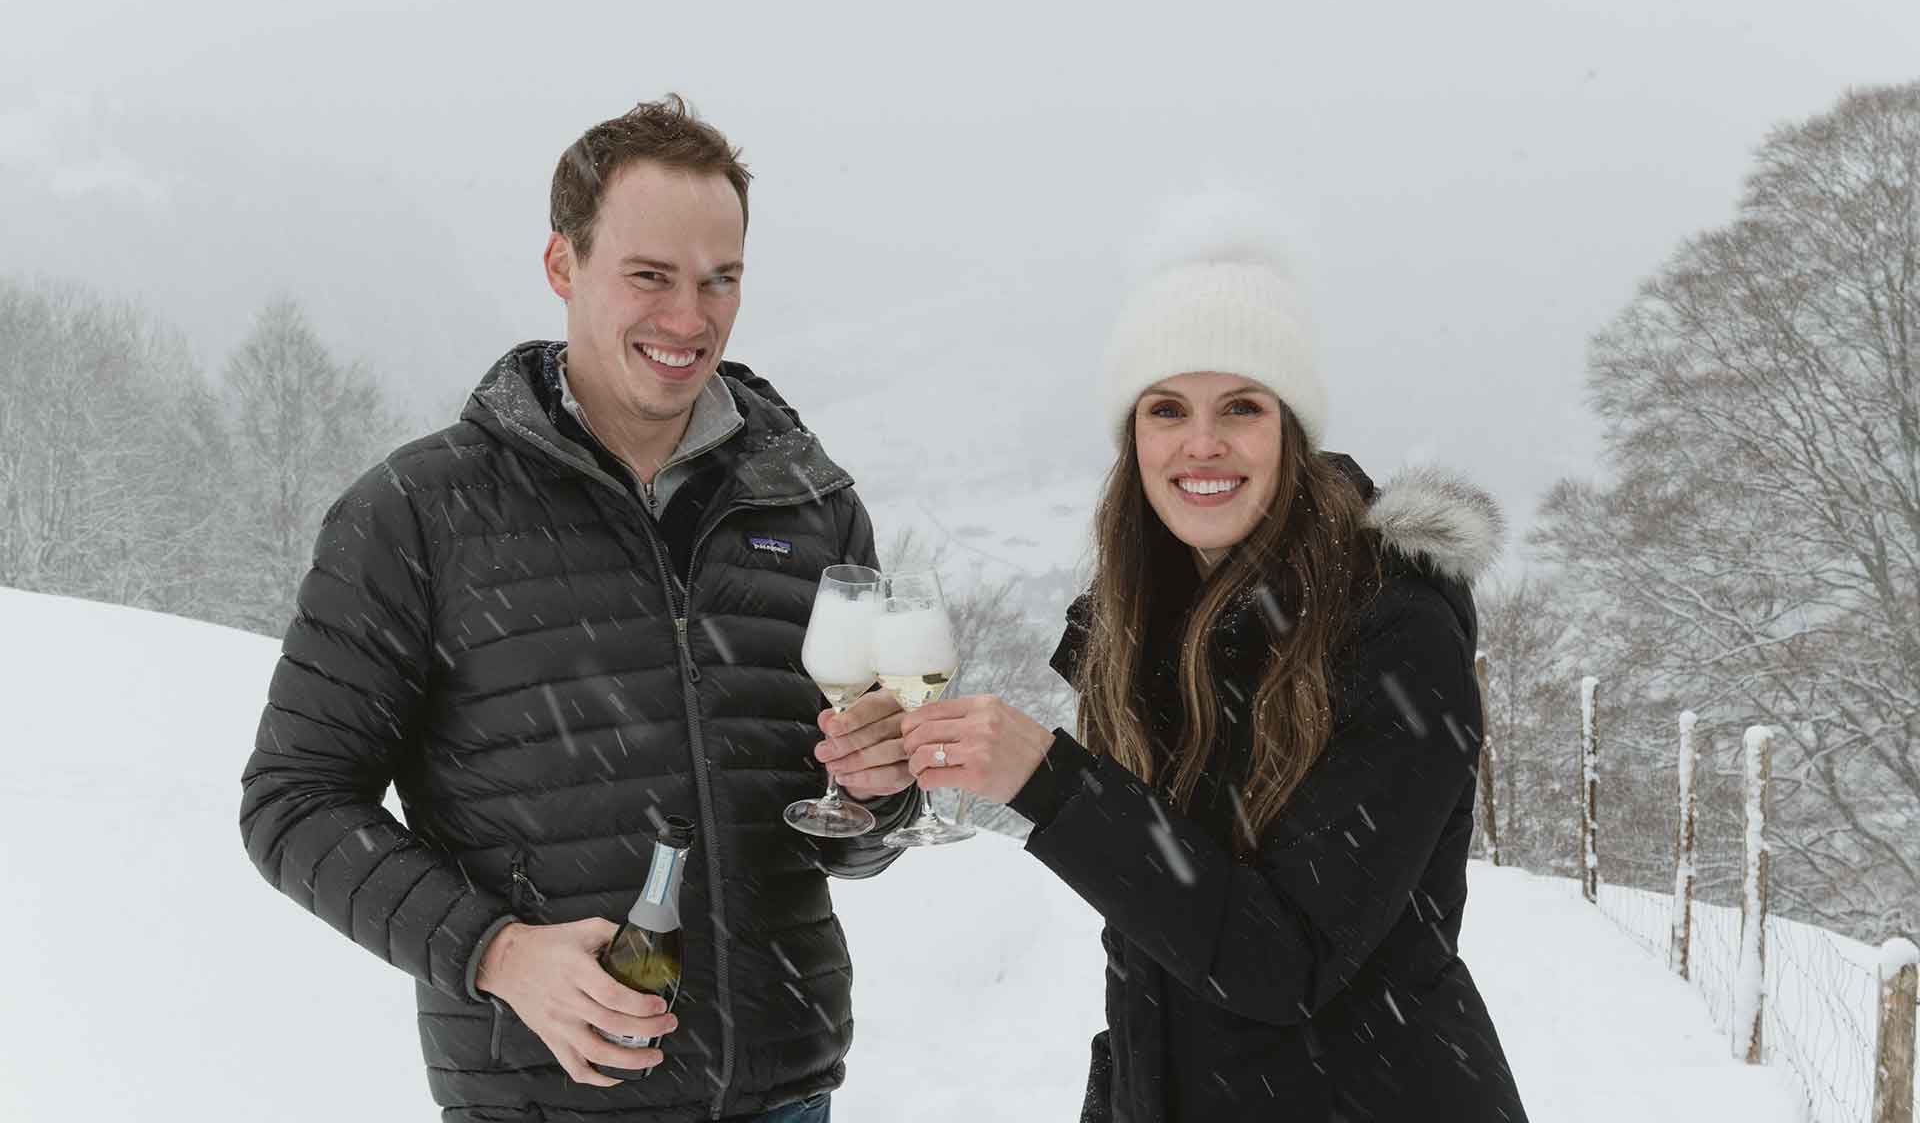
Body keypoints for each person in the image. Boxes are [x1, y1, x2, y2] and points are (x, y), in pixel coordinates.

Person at [239, 96, 917, 1123]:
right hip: (545, 1102)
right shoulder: (419, 512)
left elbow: (848, 835)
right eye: (650, 276)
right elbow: (292, 802)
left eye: (718, 279)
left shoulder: (810, 502)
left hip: (785, 1093)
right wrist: (497, 952)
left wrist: (881, 793)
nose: (689, 319)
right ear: (564, 265)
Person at [899, 215, 1531, 1122]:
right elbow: (1161, 936)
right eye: (1167, 409)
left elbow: (1282, 961)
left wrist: (1053, 784)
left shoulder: (1397, 636)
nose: (1202, 445)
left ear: (1292, 431)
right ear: (1134, 439)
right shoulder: (1142, 627)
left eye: (1241, 406)